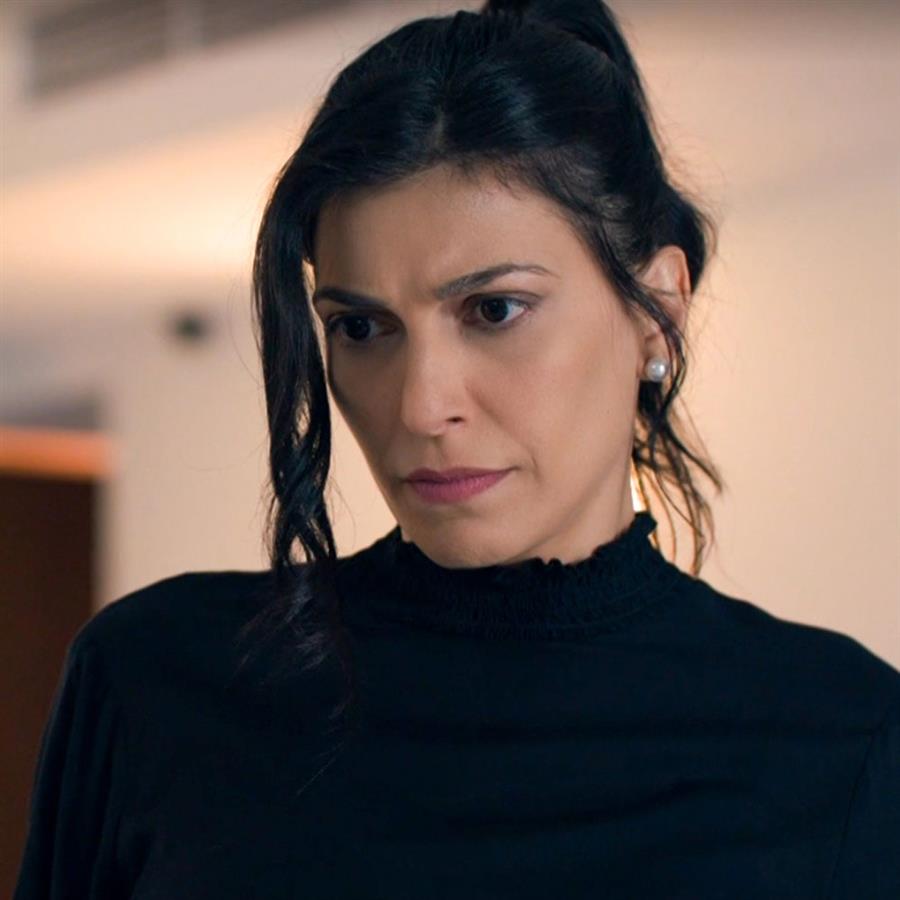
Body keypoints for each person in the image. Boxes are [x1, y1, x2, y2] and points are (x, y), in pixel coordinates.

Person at [14, 1, 899, 897]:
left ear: (657, 312)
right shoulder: (157, 681)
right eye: (362, 327)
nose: (421, 405)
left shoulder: (843, 737)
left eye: (494, 310)